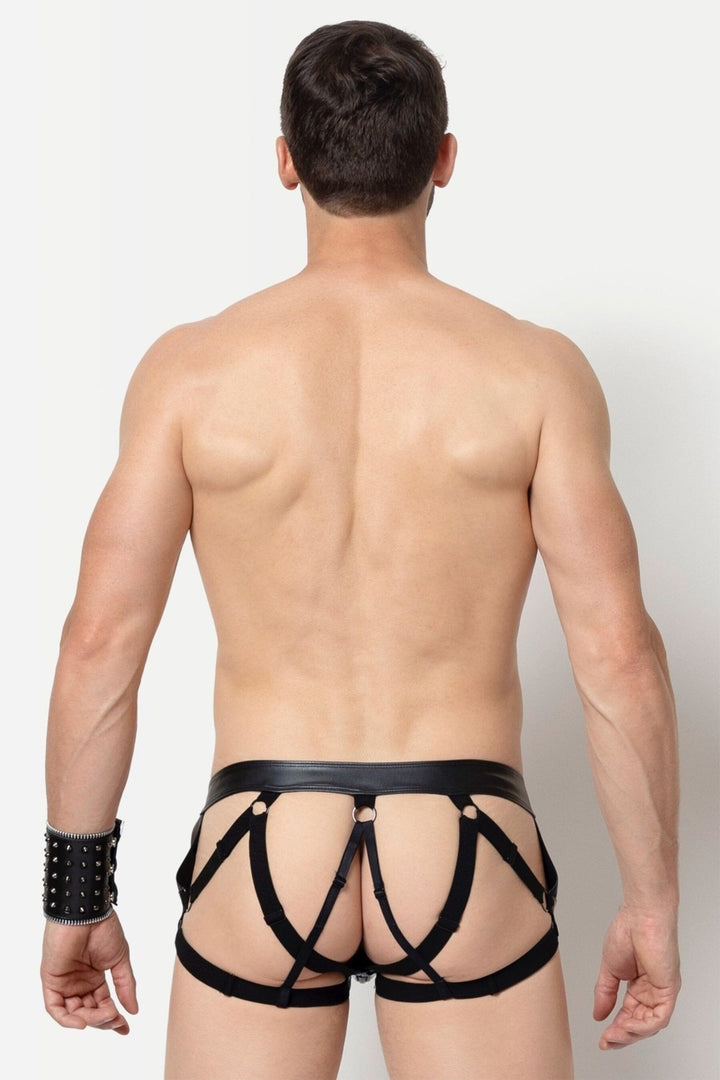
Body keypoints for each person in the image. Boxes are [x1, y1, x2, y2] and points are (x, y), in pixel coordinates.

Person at [40, 19, 681, 1080]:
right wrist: (652, 903)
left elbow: (98, 645)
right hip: (465, 836)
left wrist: (75, 897)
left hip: (264, 836)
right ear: (444, 159)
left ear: (285, 161)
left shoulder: (190, 374)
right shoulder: (534, 375)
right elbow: (620, 659)